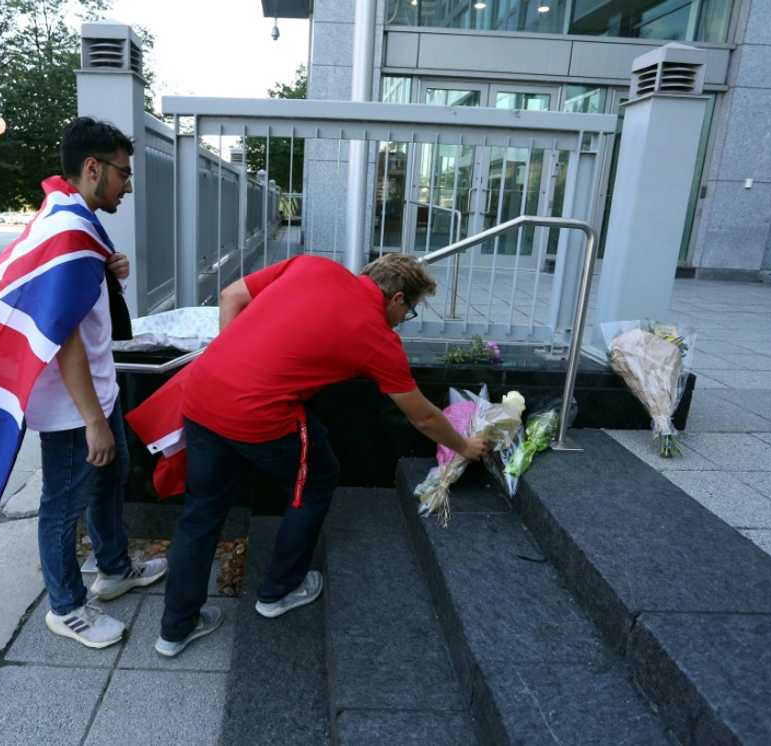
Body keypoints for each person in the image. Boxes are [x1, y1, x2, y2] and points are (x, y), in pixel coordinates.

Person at [154, 253, 488, 657]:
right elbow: (422, 417)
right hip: (258, 413)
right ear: (397, 298)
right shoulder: (377, 337)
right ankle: (279, 591)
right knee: (317, 480)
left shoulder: (311, 265)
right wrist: (466, 446)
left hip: (202, 392)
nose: (403, 319)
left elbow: (231, 295)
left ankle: (174, 630)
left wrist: (231, 363)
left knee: (201, 512)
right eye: (409, 311)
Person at [26, 117, 166, 649]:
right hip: (72, 406)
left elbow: (81, 301)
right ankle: (65, 608)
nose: (127, 185)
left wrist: (112, 269)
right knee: (63, 503)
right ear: (92, 168)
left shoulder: (72, 218)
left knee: (111, 479)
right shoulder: (66, 231)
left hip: (94, 393)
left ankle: (113, 569)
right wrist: (92, 421)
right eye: (123, 174)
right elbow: (61, 334)